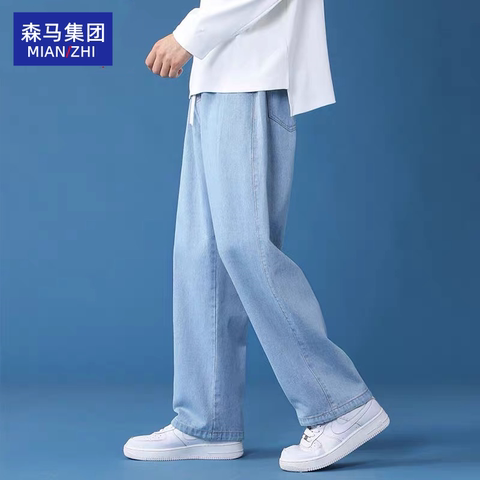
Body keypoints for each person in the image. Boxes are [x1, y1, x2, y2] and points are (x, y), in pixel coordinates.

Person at [123, 0, 389, 472]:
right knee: (200, 255)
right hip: (216, 79)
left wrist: (189, 34)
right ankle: (207, 421)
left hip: (250, 76)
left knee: (244, 247)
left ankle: (341, 405)